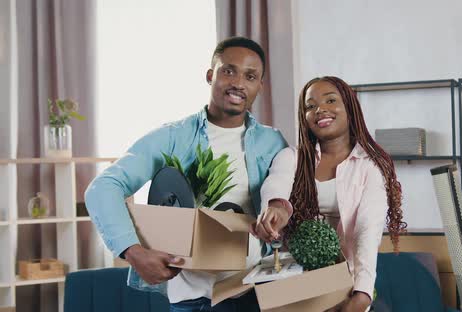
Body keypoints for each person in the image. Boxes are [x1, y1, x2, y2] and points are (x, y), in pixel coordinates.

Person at [85, 36, 287, 312]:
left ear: (259, 86)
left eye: (250, 76)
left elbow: (288, 193)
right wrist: (133, 251)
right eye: (229, 71)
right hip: (194, 299)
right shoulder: (172, 138)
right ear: (210, 75)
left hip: (256, 293)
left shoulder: (273, 142)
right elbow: (103, 187)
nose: (238, 83)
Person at [251, 76, 406, 312]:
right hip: (293, 286)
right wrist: (277, 207)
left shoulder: (370, 167)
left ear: (350, 108)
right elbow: (277, 183)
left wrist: (363, 293)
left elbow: (368, 228)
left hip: (345, 285)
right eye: (310, 106)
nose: (320, 110)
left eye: (330, 100)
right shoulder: (292, 158)